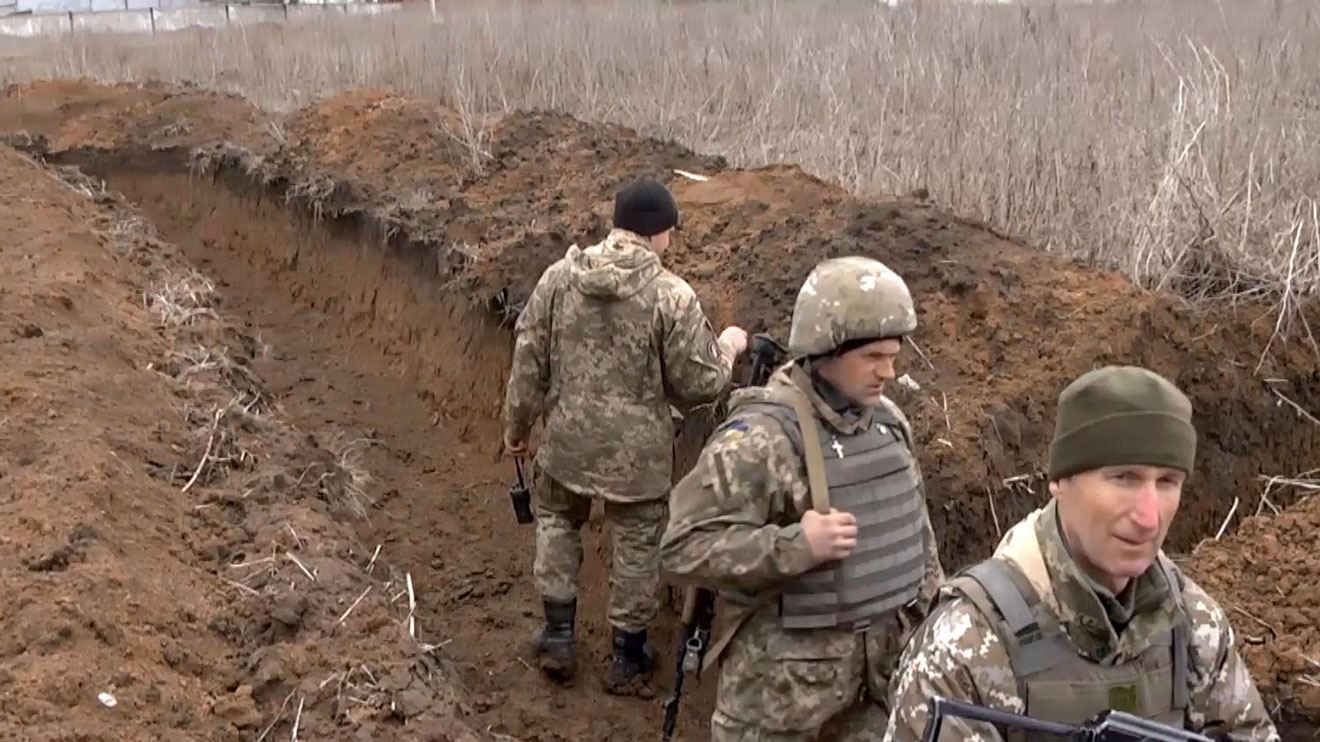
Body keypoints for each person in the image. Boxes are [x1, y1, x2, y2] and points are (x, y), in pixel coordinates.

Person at [883, 365, 1281, 742]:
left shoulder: (1193, 625)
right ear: (1060, 480)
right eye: (1124, 478)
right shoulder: (967, 646)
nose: (1148, 517)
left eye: (1167, 482)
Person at [659, 256, 945, 740]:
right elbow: (681, 548)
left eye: (894, 355)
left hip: (878, 693)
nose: (889, 372)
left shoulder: (889, 423)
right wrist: (796, 546)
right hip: (777, 704)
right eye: (873, 357)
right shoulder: (760, 439)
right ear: (827, 350)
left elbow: (920, 547)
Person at [501, 177, 749, 696]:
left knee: (556, 524)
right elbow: (700, 384)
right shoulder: (671, 296)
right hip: (638, 458)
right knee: (637, 546)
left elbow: (528, 359)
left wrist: (516, 428)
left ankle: (558, 635)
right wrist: (728, 347)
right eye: (670, 233)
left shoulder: (559, 277)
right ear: (659, 233)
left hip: (565, 442)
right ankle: (627, 656)